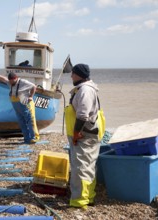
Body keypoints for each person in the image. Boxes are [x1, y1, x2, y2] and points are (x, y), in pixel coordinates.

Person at [64, 63, 105, 209]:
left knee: (80, 168)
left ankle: (79, 202)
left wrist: (76, 134)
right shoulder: (83, 88)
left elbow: (82, 115)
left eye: (73, 73)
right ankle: (88, 198)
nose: (71, 76)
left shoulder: (85, 90)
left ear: (79, 75)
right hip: (86, 134)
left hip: (84, 135)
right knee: (87, 166)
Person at [0, 71, 40, 144]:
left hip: (26, 104)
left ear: (16, 78)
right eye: (10, 81)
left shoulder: (23, 82)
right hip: (17, 106)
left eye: (12, 81)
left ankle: (34, 137)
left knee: (30, 121)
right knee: (22, 122)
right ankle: (27, 138)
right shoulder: (9, 83)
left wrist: (31, 96)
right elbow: (3, 78)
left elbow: (34, 86)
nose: (11, 83)